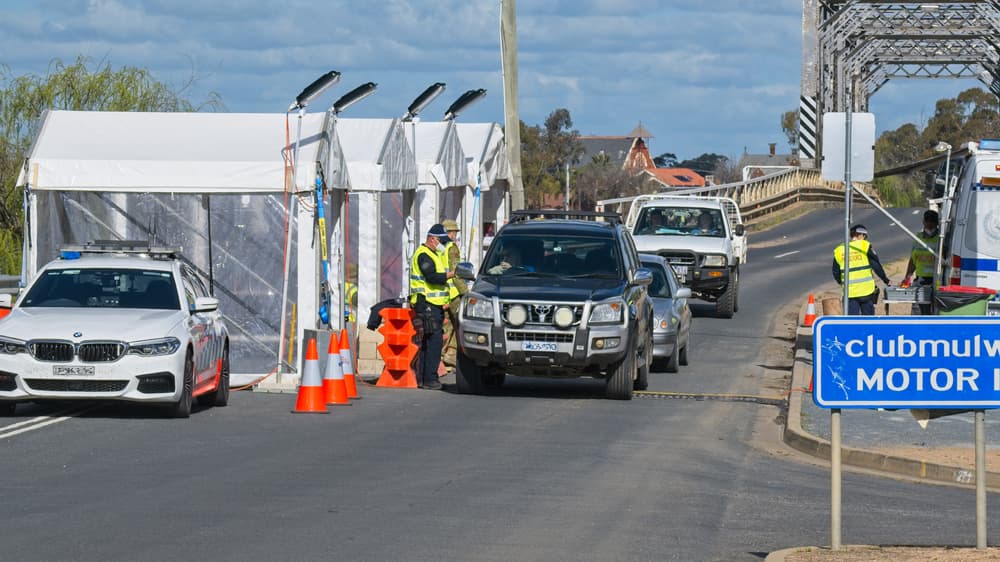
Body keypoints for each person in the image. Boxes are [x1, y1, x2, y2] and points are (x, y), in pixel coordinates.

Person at [410, 223, 455, 390]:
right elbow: (431, 277)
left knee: (428, 341)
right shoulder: (424, 255)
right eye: (440, 241)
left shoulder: (433, 254)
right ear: (432, 239)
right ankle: (430, 379)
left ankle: (424, 379)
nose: (442, 244)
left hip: (434, 304)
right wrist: (450, 275)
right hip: (426, 305)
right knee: (434, 342)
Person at [832, 224, 892, 315]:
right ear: (861, 235)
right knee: (868, 322)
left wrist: (842, 282)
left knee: (852, 323)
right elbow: (876, 266)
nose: (865, 239)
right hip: (866, 292)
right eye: (865, 236)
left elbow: (836, 272)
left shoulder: (840, 250)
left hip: (850, 292)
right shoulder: (864, 245)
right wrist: (885, 280)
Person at [440, 218, 468, 373]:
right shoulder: (452, 248)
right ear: (450, 233)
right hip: (453, 294)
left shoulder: (437, 247)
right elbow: (456, 272)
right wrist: (466, 292)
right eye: (454, 232)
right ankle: (451, 354)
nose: (455, 235)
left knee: (446, 326)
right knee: (460, 325)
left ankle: (443, 357)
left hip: (439, 294)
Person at [901, 210, 940, 315]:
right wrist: (907, 277)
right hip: (920, 280)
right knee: (917, 309)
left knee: (932, 311)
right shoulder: (918, 237)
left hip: (935, 281)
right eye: (927, 221)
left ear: (937, 223)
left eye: (932, 221)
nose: (930, 224)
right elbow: (913, 259)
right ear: (923, 222)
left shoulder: (940, 239)